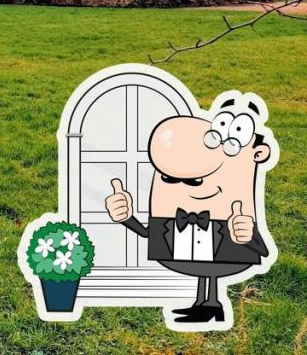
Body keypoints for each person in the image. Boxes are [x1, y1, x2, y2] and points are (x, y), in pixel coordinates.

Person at [105, 93, 276, 325]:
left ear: (259, 153)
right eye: (169, 178)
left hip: (223, 241)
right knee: (204, 269)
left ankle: (212, 304)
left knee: (211, 268)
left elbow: (262, 250)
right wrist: (125, 217)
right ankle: (205, 304)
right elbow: (148, 233)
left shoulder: (234, 212)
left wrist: (247, 236)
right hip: (187, 246)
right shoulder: (171, 217)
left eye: (194, 180)